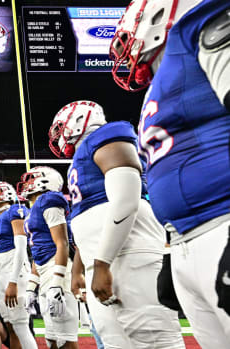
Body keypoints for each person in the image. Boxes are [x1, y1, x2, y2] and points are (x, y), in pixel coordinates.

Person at [111, 0, 230, 345]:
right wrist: (170, 249)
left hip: (221, 222)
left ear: (158, 16)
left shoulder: (200, 23)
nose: (126, 46)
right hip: (186, 241)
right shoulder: (163, 84)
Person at [49, 100, 185, 348]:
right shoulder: (84, 155)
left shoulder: (107, 135)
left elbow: (125, 200)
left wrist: (102, 264)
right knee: (114, 341)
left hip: (125, 255)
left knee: (155, 340)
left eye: (60, 128)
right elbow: (87, 219)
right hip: (105, 258)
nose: (59, 137)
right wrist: (82, 269)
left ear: (79, 120)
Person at [18, 166, 79, 349]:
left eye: (31, 179)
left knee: (65, 339)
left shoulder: (49, 200)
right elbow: (38, 252)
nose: (26, 183)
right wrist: (31, 287)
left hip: (57, 267)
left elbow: (62, 243)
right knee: (51, 339)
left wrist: (58, 281)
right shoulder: (34, 208)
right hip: (45, 270)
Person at [0, 182, 38, 349]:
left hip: (15, 268)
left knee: (21, 326)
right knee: (11, 326)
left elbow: (21, 246)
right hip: (2, 269)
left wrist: (13, 280)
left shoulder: (15, 210)